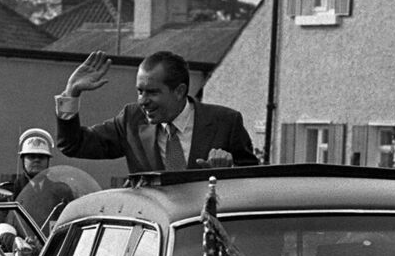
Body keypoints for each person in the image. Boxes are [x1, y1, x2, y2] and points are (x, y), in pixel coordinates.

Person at [56, 50, 258, 173]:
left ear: (179, 91)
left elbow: (254, 183)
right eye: (139, 91)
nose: (143, 101)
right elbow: (73, 145)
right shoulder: (131, 121)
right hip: (157, 237)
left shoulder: (226, 123)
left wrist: (226, 172)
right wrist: (71, 92)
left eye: (152, 92)